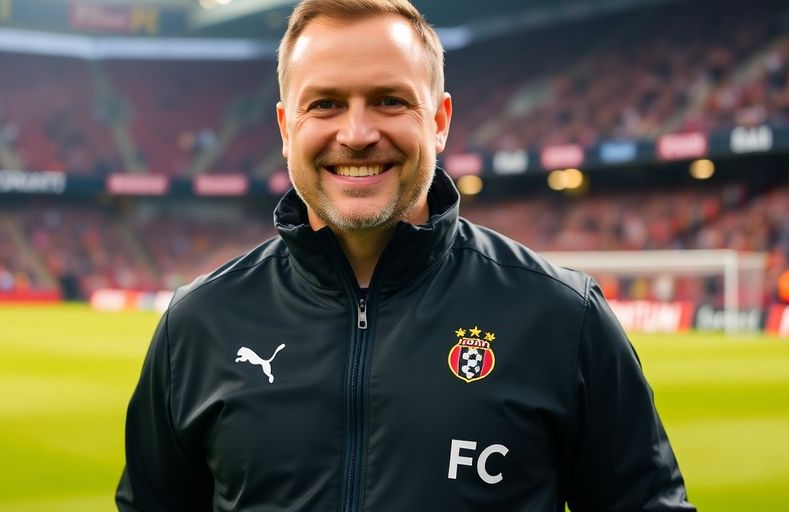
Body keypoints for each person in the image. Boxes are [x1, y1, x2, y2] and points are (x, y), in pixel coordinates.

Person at [116, 0, 695, 510]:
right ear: (285, 127)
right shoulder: (198, 324)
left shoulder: (561, 316)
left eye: (390, 101)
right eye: (325, 105)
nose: (358, 133)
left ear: (439, 121)